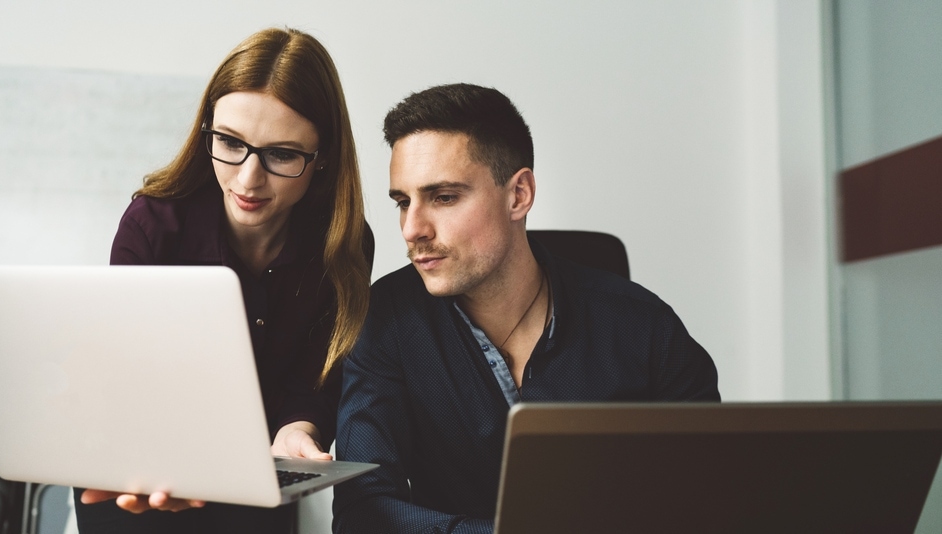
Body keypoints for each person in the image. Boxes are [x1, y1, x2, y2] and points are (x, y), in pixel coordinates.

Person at [333, 83, 720, 533]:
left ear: (519, 195)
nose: (412, 228)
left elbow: (707, 496)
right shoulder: (387, 322)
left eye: (443, 197)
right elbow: (364, 511)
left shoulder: (645, 328)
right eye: (403, 202)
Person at [73, 27, 372, 534]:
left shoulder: (343, 243)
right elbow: (125, 376)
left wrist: (298, 429)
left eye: (281, 155)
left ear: (322, 160)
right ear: (207, 129)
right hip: (137, 480)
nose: (248, 179)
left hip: (258, 484)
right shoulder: (151, 224)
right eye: (230, 142)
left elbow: (317, 374)